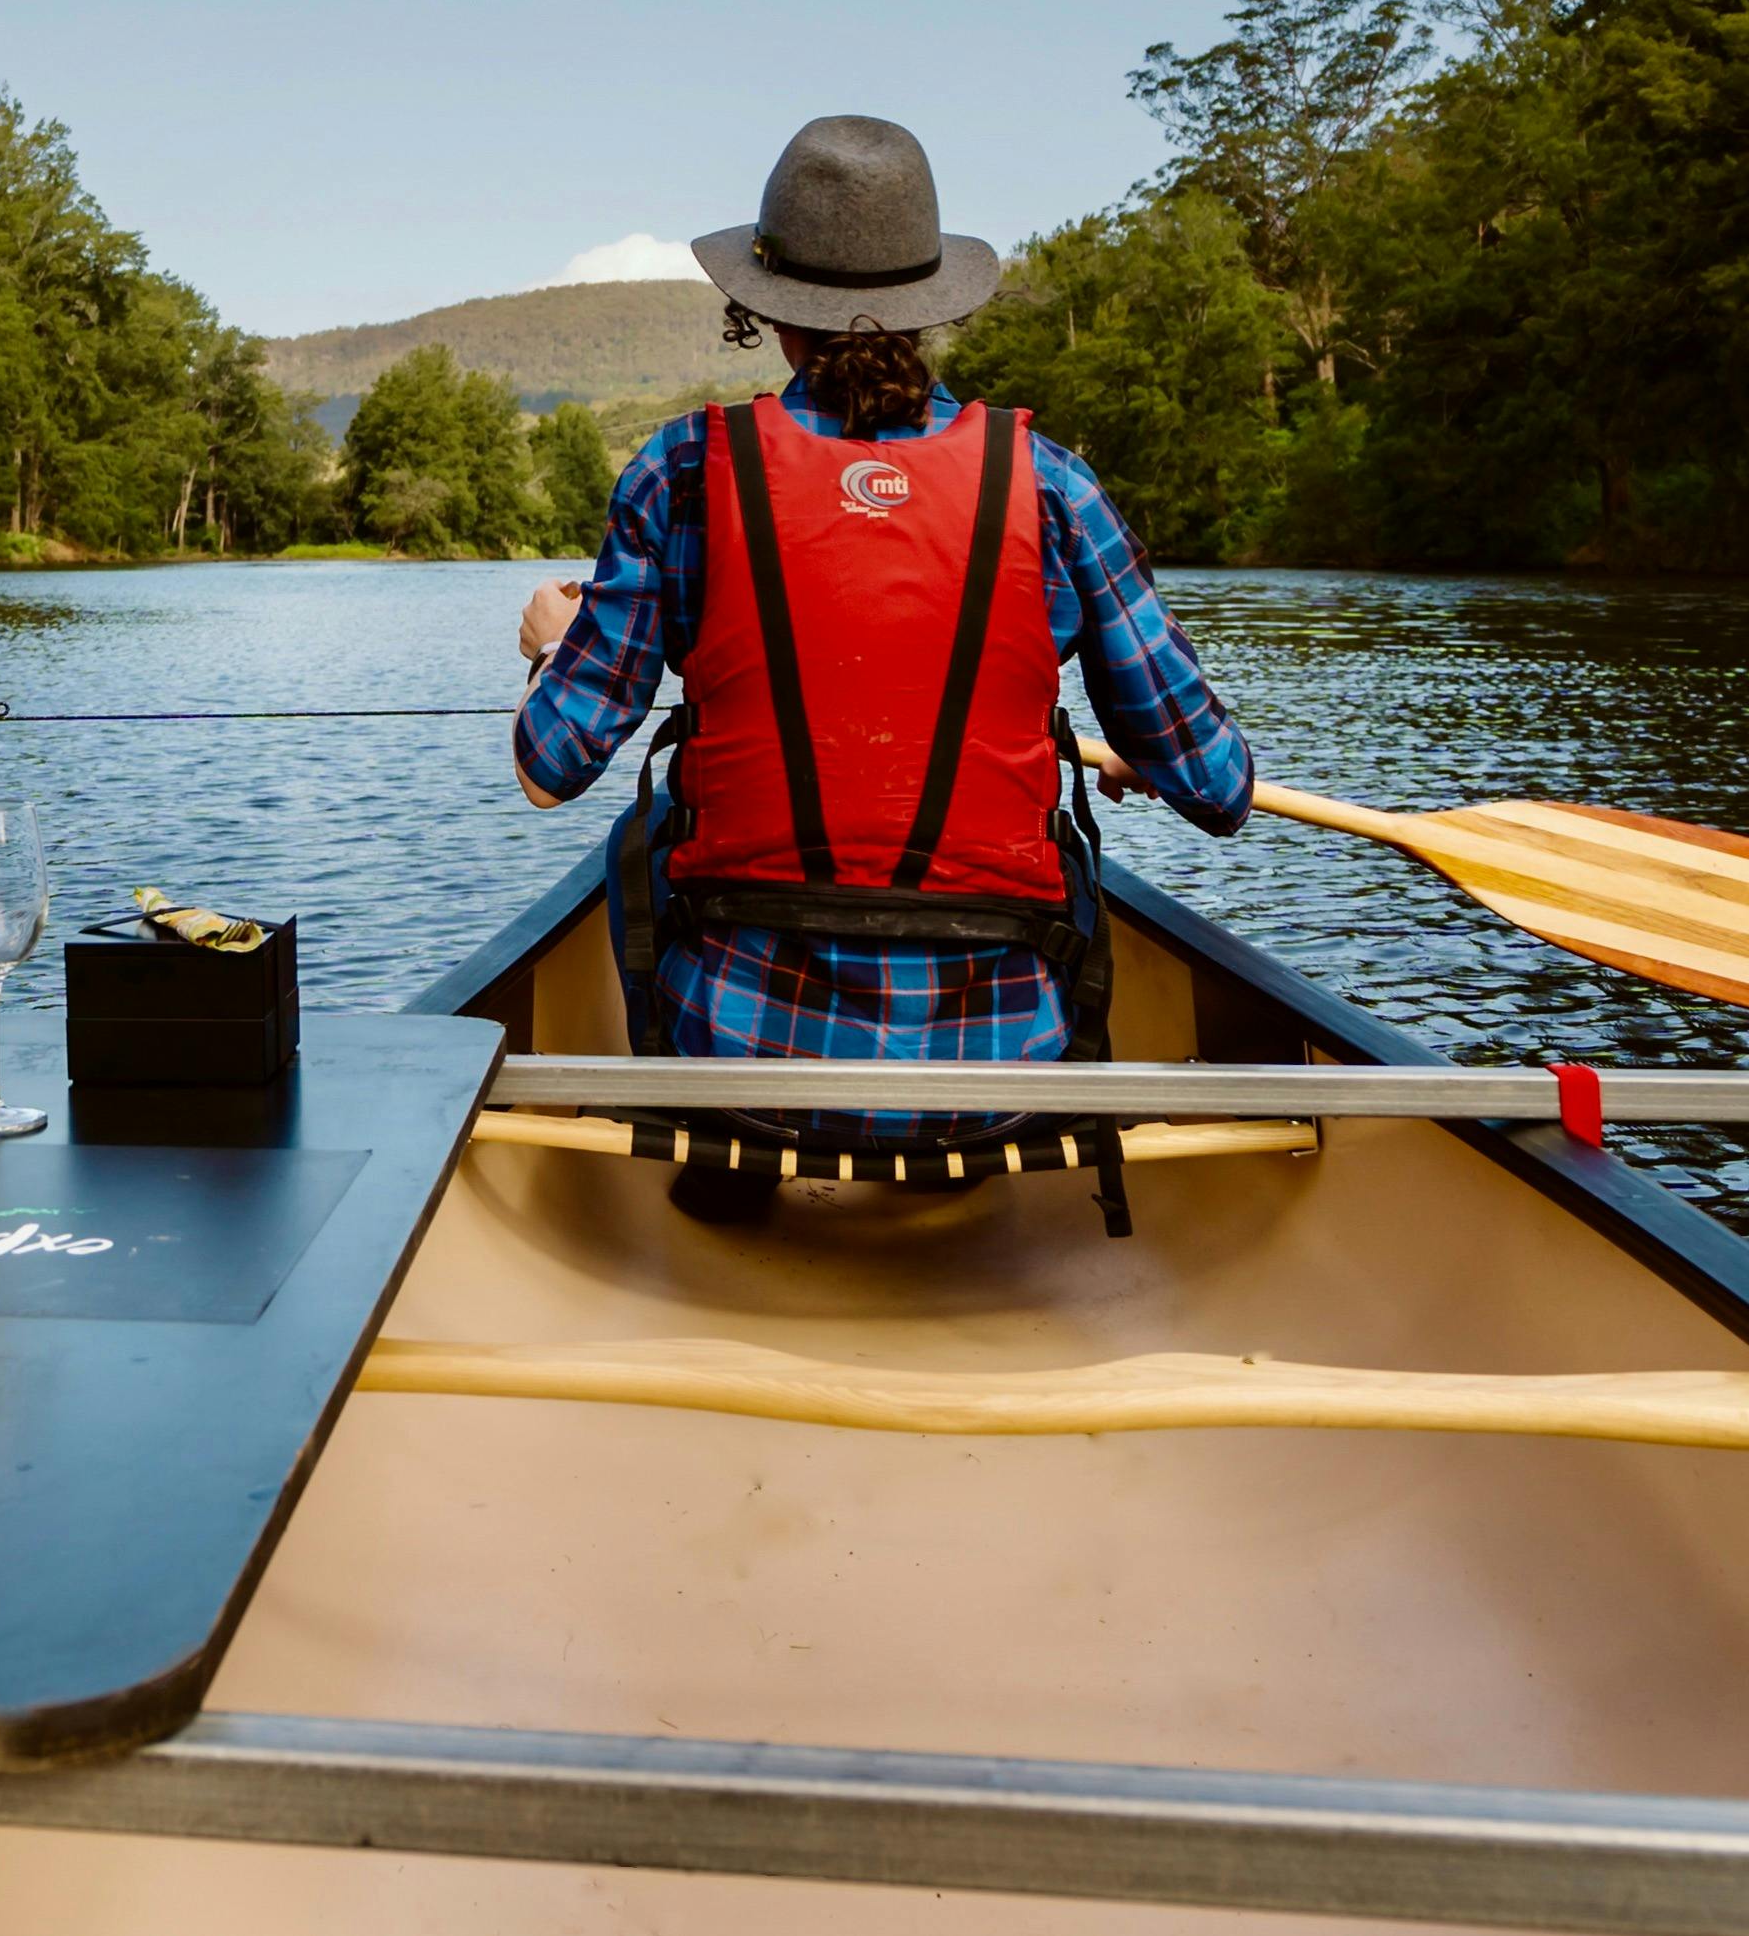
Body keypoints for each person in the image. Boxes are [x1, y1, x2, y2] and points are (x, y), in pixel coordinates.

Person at [511, 114, 1256, 1224]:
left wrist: (547, 647)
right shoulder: (1051, 487)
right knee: (1061, 852)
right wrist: (1149, 752)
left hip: (741, 1057)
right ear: (933, 302)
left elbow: (549, 765)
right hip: (1001, 1076)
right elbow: (1218, 786)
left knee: (648, 827)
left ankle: (721, 1156)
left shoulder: (680, 471)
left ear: (763, 307)